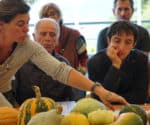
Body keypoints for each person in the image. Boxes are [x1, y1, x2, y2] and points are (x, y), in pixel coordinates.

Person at [0, 0, 128, 110]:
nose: (27, 29)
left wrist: (100, 91)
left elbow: (60, 70)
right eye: (20, 24)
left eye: (28, 23)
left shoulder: (27, 46)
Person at [14, 18, 75, 104]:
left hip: (56, 112)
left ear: (57, 40)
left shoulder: (63, 63)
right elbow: (12, 97)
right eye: (43, 34)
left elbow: (70, 99)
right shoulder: (20, 62)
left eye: (52, 35)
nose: (48, 38)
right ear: (34, 37)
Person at [87, 20, 148, 104]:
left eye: (128, 42)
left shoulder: (141, 60)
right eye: (117, 41)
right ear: (109, 41)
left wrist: (114, 98)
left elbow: (140, 97)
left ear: (134, 45)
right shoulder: (94, 62)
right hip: (104, 111)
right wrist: (116, 65)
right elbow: (100, 98)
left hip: (133, 109)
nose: (122, 47)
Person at [39, 2, 89, 99]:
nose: (50, 17)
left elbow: (84, 59)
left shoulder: (75, 35)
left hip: (73, 82)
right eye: (45, 15)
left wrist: (78, 76)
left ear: (59, 16)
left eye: (53, 13)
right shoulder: (40, 37)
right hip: (50, 85)